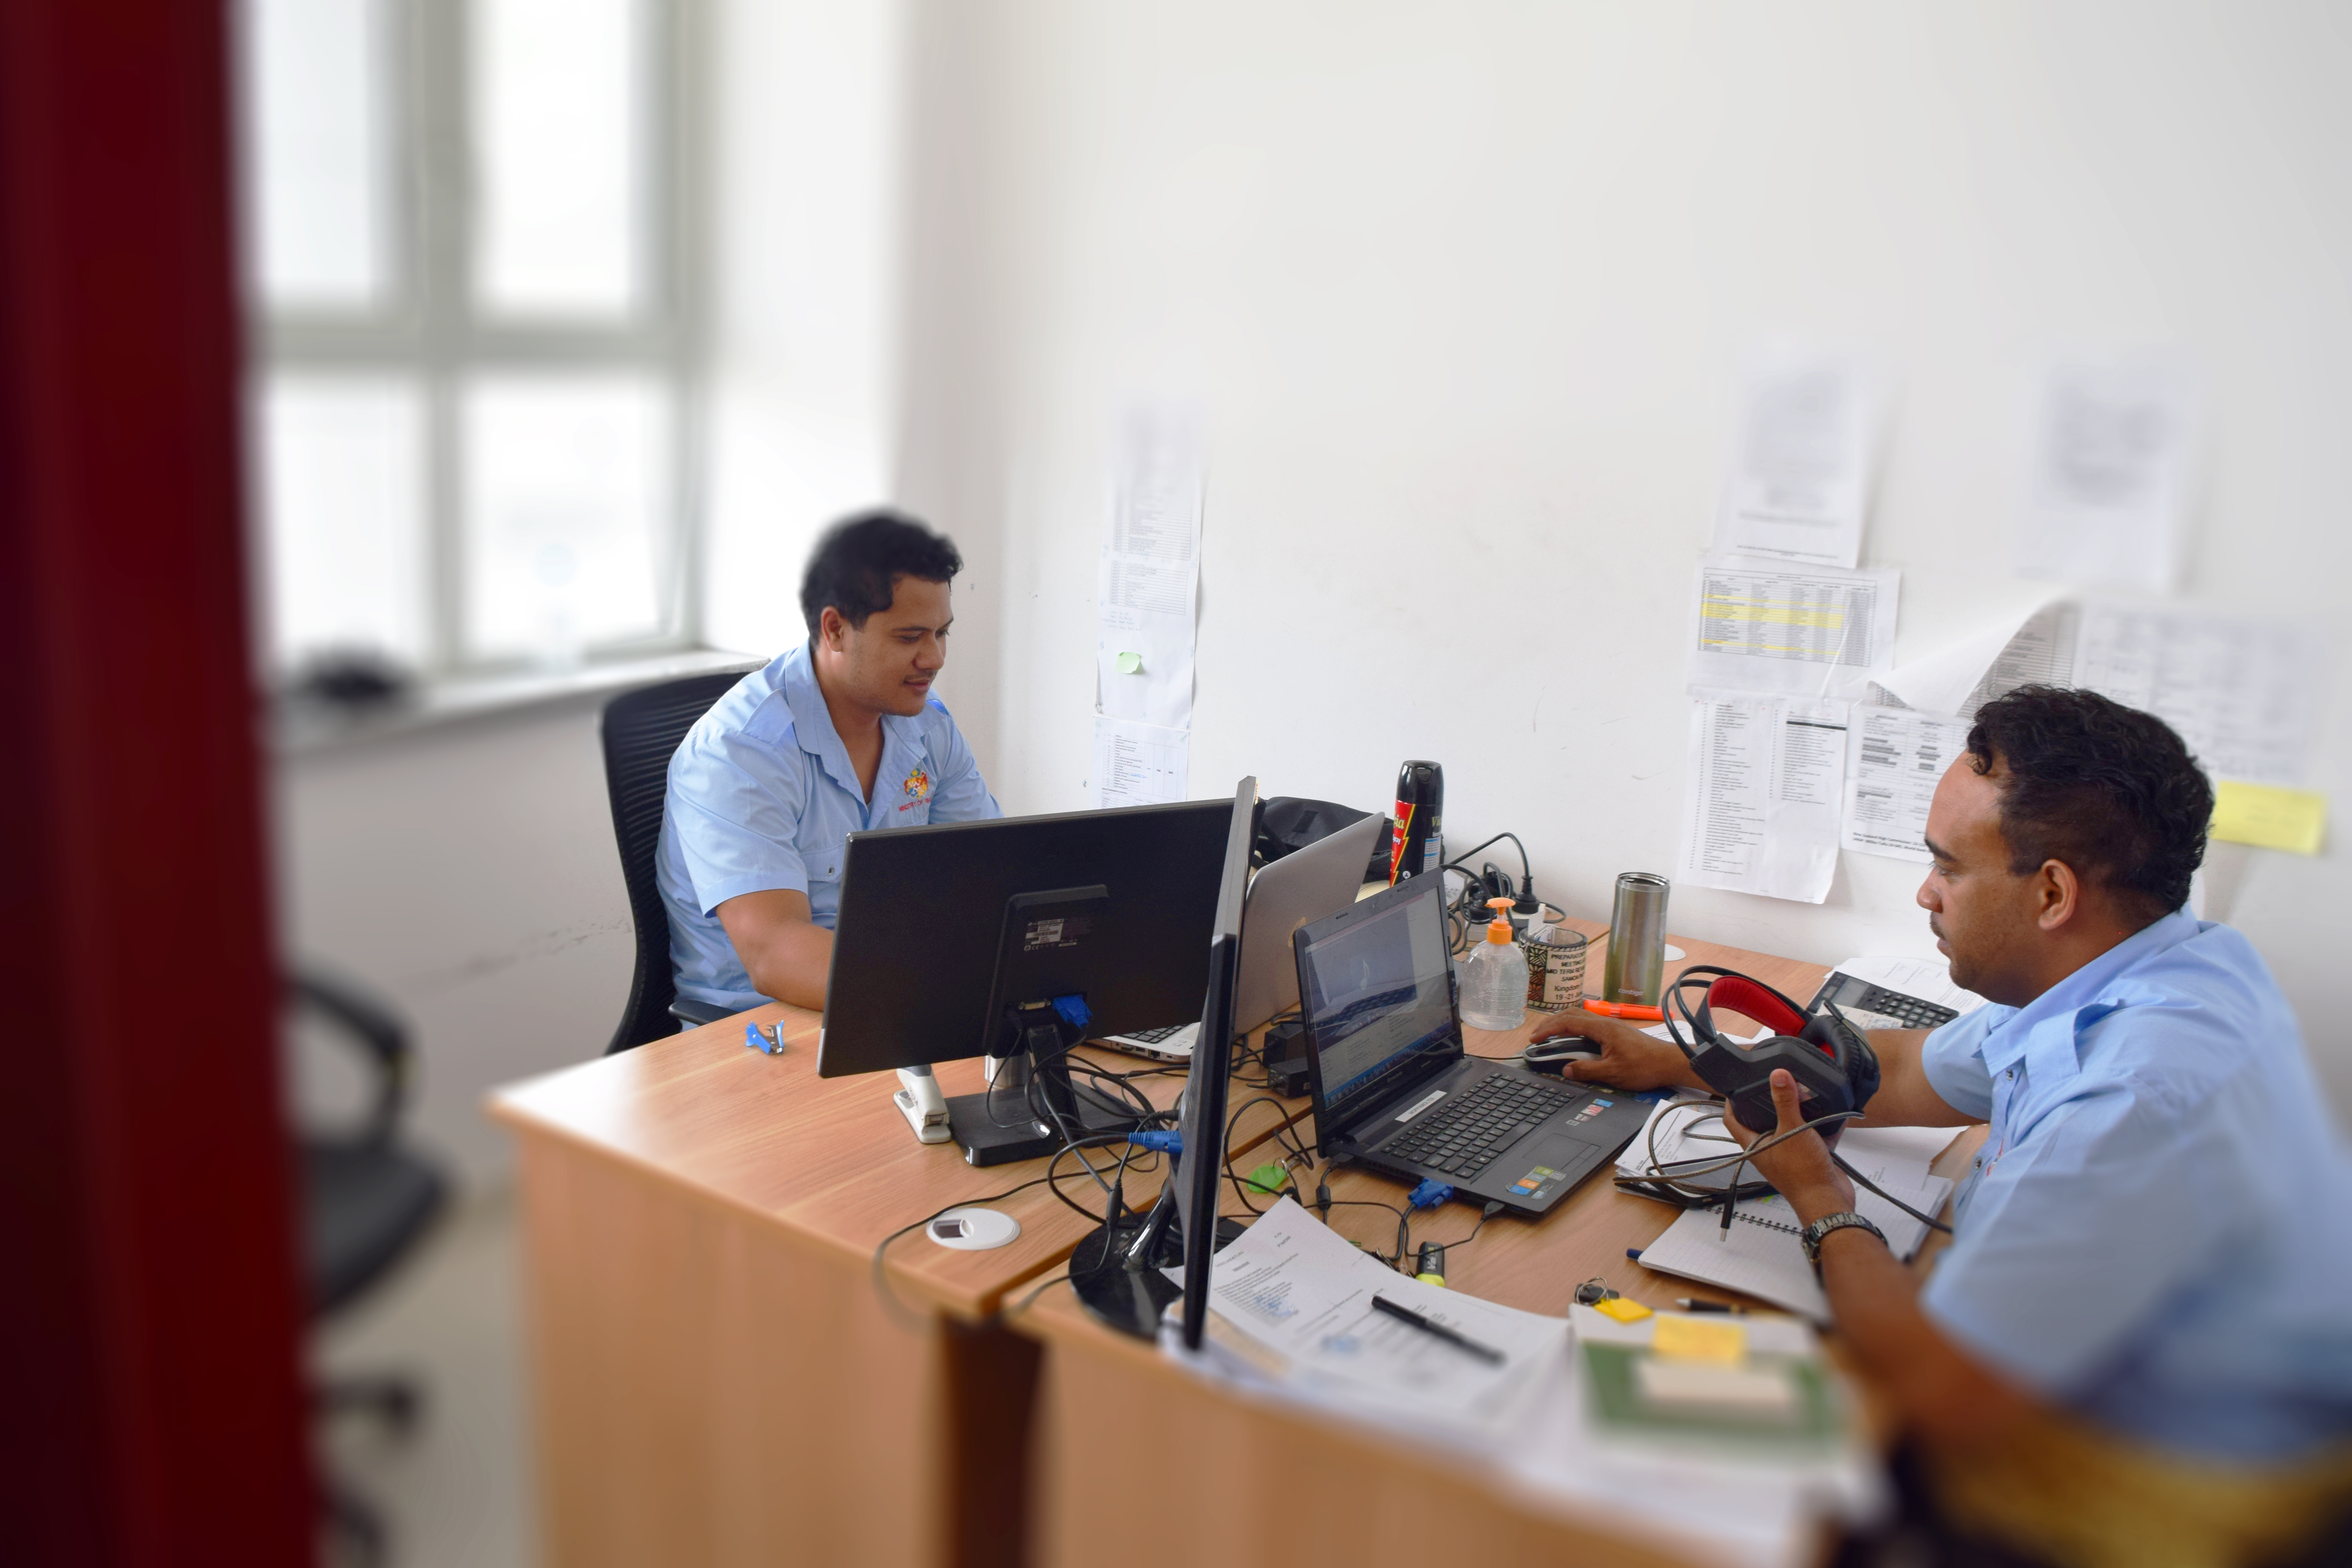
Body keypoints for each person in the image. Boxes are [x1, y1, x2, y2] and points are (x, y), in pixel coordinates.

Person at [1535, 686, 2352, 1568]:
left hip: (2173, 1497)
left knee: (1623, 1460)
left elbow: (1941, 1388)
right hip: (2184, 1405)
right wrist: (1681, 1058)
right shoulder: (2162, 963)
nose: (1926, 892)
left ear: (2053, 892)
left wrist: (1820, 1199)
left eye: (1949, 868)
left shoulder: (2132, 1098)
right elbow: (1892, 1072)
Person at [656, 510, 1000, 1015]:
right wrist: (956, 989)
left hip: (895, 999)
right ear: (836, 629)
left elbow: (992, 877)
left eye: (941, 633)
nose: (935, 658)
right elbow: (776, 954)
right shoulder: (739, 753)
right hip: (761, 1027)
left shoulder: (929, 727)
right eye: (910, 638)